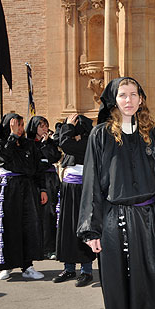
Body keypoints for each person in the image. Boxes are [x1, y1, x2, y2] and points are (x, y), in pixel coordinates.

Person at [77, 77, 155, 309]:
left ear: (141, 99)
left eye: (134, 94)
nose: (129, 100)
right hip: (112, 219)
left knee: (150, 283)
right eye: (123, 95)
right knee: (118, 287)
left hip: (147, 218)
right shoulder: (101, 135)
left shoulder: (152, 132)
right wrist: (90, 229)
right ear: (113, 100)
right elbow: (92, 182)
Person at [0, 113, 46, 280]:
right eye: (16, 126)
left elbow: (37, 167)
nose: (20, 129)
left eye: (21, 126)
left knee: (28, 226)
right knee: (8, 225)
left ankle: (27, 266)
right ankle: (7, 264)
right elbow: (3, 156)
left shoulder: (29, 144)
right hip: (9, 188)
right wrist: (12, 137)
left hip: (27, 187)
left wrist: (42, 189)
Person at [53, 113, 96, 287]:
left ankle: (86, 270)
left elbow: (64, 144)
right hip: (68, 188)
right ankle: (68, 267)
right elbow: (58, 139)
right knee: (67, 228)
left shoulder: (88, 142)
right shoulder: (74, 140)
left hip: (82, 189)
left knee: (83, 227)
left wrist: (69, 129)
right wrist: (66, 128)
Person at [26, 116, 62, 260]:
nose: (45, 129)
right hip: (35, 181)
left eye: (46, 126)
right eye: (41, 126)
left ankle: (49, 247)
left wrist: (47, 144)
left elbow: (55, 157)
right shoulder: (28, 143)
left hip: (50, 181)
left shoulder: (49, 143)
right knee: (35, 215)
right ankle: (36, 247)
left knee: (49, 214)